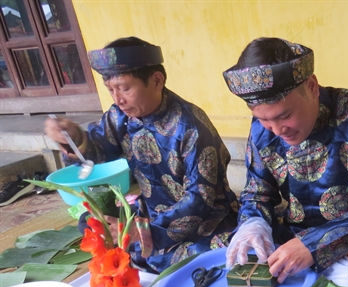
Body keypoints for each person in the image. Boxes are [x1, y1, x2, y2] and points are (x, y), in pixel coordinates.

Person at [222, 37, 348, 287]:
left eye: (284, 115)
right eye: (263, 119)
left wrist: (315, 245)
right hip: (289, 244)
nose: (276, 130)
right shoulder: (262, 128)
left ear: (311, 87)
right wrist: (253, 223)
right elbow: (257, 193)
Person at [44, 36, 239, 272]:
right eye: (110, 90)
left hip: (204, 222)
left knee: (205, 255)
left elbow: (199, 200)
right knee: (90, 222)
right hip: (150, 212)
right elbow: (95, 151)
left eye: (125, 88)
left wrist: (142, 232)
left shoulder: (191, 128)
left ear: (157, 80)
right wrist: (73, 137)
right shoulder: (120, 115)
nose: (118, 100)